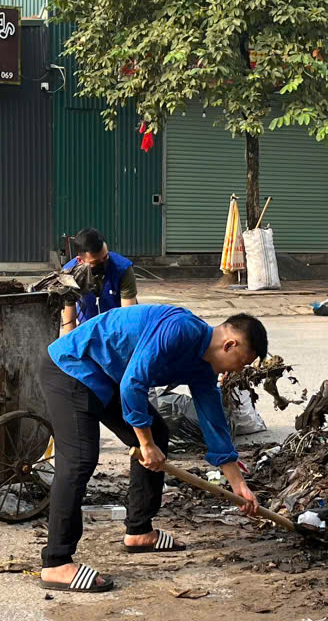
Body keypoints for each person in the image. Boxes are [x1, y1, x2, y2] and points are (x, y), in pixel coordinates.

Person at [38, 305, 267, 593]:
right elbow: (133, 383)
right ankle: (56, 562)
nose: (238, 371)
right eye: (242, 362)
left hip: (106, 376)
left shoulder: (202, 367)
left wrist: (238, 484)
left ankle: (139, 531)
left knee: (157, 432)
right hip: (71, 367)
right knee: (79, 460)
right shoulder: (180, 330)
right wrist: (145, 445)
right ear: (229, 345)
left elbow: (213, 421)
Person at [61, 227, 139, 335]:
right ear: (80, 260)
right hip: (87, 328)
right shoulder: (69, 275)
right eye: (96, 262)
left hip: (118, 328)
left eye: (106, 257)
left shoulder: (122, 269)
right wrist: (70, 344)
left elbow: (128, 317)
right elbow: (69, 320)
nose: (103, 263)